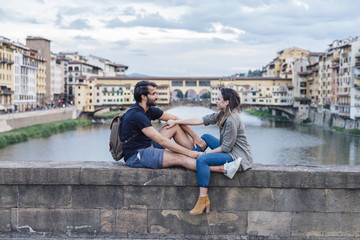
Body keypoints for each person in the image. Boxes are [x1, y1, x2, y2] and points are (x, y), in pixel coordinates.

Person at [165, 88, 253, 215]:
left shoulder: (232, 120)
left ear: (227, 102)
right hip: (230, 149)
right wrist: (177, 121)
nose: (216, 101)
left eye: (218, 99)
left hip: (237, 156)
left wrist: (204, 154)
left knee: (202, 160)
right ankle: (191, 161)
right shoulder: (222, 114)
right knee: (205, 137)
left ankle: (203, 199)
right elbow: (200, 120)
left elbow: (225, 148)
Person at [120, 80, 207, 170]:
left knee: (174, 125)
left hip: (148, 145)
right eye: (154, 94)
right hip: (136, 155)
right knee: (181, 157)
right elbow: (162, 141)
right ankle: (217, 168)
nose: (157, 96)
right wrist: (188, 153)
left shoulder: (149, 110)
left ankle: (197, 152)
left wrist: (195, 137)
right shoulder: (137, 114)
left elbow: (175, 119)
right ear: (144, 97)